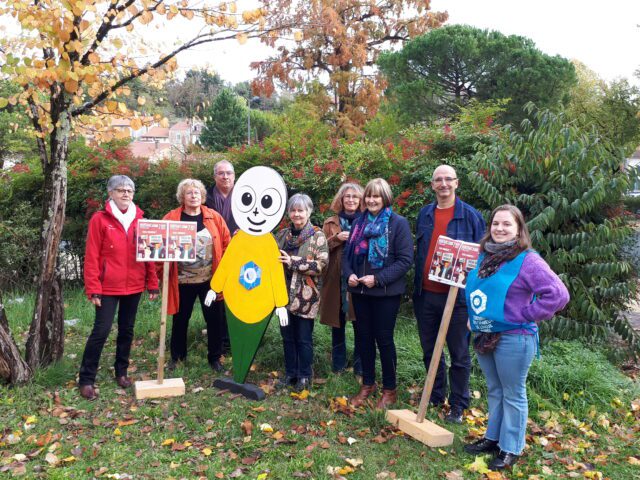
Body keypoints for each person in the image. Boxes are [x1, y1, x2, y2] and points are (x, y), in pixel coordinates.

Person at [463, 205, 569, 470]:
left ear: (519, 229)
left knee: (513, 393)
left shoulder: (527, 260)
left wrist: (526, 313)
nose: (499, 228)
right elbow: (484, 291)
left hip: (514, 336)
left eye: (507, 224)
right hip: (486, 333)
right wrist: (475, 316)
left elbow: (558, 295)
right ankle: (493, 438)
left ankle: (511, 448)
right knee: (495, 390)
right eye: (495, 223)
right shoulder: (485, 256)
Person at [413, 164, 486, 423]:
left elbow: (483, 259)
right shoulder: (425, 214)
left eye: (448, 179)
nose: (443, 184)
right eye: (438, 180)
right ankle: (435, 396)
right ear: (432, 185)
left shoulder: (471, 217)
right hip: (426, 295)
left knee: (459, 353)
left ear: (456, 183)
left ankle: (458, 404)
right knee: (430, 350)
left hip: (458, 299)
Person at [79, 175, 159, 401]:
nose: (125, 194)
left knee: (127, 330)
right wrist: (93, 287)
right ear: (111, 193)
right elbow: (92, 255)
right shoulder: (100, 219)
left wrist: (152, 283)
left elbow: (149, 254)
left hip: (134, 285)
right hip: (107, 287)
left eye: (129, 190)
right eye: (121, 190)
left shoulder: (140, 219)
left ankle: (121, 372)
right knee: (101, 331)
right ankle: (86, 379)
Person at [343, 178, 413, 409]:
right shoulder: (358, 224)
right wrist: (350, 274)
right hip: (360, 291)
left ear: (385, 199)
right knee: (363, 338)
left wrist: (379, 279)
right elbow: (347, 256)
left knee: (384, 340)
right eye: (369, 196)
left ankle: (390, 390)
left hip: (385, 293)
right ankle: (367, 384)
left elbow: (405, 260)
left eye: (377, 196)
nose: (372, 200)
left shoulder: (397, 223)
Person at [162, 179, 230, 372]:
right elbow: (158, 248)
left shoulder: (213, 217)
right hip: (182, 281)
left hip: (210, 280)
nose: (194, 196)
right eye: (189, 193)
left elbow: (226, 243)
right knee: (180, 319)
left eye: (197, 193)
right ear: (182, 196)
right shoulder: (172, 218)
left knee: (214, 319)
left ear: (202, 196)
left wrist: (223, 273)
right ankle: (177, 357)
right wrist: (162, 273)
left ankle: (215, 358)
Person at [276, 193, 329, 392]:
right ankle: (291, 373)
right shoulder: (282, 235)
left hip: (306, 296)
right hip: (282, 295)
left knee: (304, 338)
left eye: (301, 210)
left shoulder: (317, 235)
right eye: (293, 210)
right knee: (287, 336)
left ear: (309, 211)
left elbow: (321, 265)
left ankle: (305, 376)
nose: (297, 214)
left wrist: (294, 262)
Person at [320, 182, 364, 377]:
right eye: (347, 197)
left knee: (360, 323)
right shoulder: (330, 222)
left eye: (355, 197)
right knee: (337, 324)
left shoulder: (367, 220)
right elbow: (320, 249)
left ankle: (360, 367)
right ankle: (338, 366)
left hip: (359, 279)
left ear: (360, 200)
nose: (351, 200)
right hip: (335, 280)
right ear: (341, 199)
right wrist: (337, 238)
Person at [205, 159, 236, 352]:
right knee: (216, 295)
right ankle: (218, 338)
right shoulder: (205, 198)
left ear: (234, 176)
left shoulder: (245, 195)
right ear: (215, 176)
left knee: (235, 295)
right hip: (213, 253)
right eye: (221, 173)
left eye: (229, 173)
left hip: (238, 252)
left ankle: (233, 337)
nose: (225, 176)